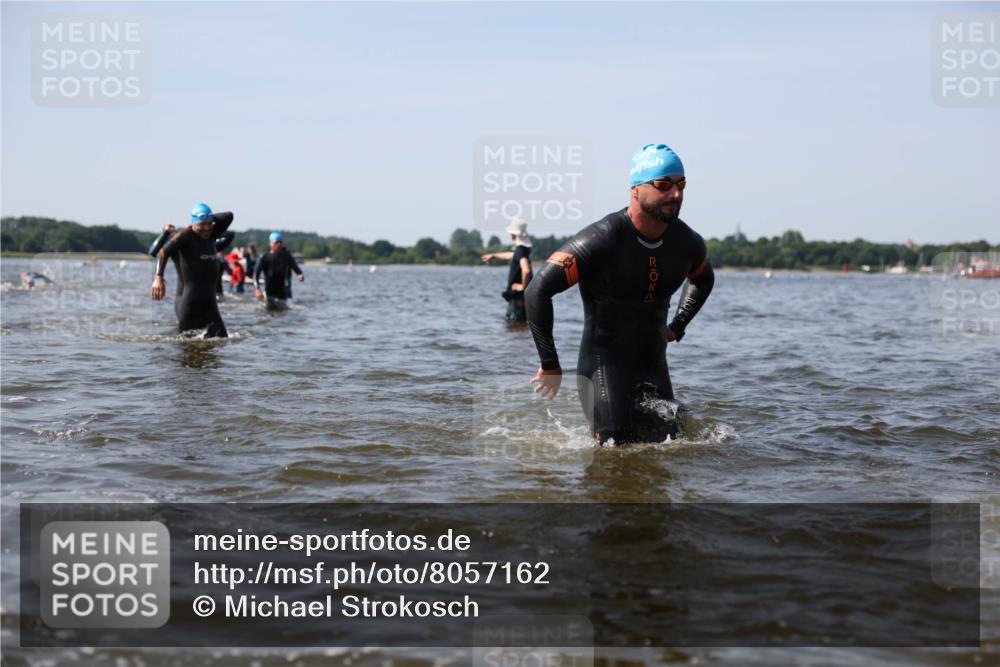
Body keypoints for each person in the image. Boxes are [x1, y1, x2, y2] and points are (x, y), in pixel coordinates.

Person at [524, 144, 715, 445]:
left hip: (654, 365)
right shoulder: (603, 239)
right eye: (664, 185)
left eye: (681, 185)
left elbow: (703, 280)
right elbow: (537, 291)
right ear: (636, 189)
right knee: (614, 455)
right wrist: (550, 363)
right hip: (604, 365)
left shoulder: (686, 242)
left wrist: (678, 326)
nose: (675, 194)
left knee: (671, 447)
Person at [150, 203, 234, 338]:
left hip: (211, 306)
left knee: (222, 342)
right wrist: (158, 277)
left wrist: (209, 218)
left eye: (209, 223)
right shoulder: (185, 236)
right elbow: (163, 251)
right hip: (191, 305)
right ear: (193, 223)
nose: (206, 228)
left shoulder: (212, 233)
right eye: (201, 224)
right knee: (186, 347)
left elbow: (229, 216)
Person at [481, 218, 533, 322]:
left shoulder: (520, 250)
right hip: (522, 298)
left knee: (514, 324)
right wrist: (493, 255)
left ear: (514, 234)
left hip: (518, 298)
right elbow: (511, 255)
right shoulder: (522, 250)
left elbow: (526, 270)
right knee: (519, 327)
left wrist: (523, 286)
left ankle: (515, 339)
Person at [254, 232, 304, 309]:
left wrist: (299, 274)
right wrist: (257, 289)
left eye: (280, 242)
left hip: (282, 293)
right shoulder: (264, 257)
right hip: (269, 293)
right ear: (271, 244)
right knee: (270, 310)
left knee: (284, 314)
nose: (279, 244)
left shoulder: (286, 256)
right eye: (276, 242)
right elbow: (256, 274)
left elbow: (294, 266)